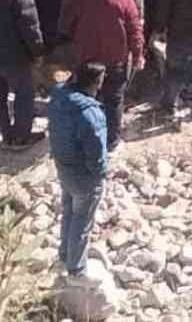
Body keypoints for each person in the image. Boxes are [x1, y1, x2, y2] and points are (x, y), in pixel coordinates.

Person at [59, 0, 143, 151]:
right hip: (116, 60)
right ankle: (111, 141)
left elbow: (66, 26)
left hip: (87, 60)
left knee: (87, 100)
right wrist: (138, 55)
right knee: (114, 100)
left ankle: (87, 138)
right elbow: (135, 30)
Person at [47, 62, 109, 287]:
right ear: (97, 82)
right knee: (82, 222)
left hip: (64, 168)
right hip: (84, 177)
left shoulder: (58, 98)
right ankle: (77, 271)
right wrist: (102, 174)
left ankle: (64, 257)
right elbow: (96, 154)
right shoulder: (91, 114)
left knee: (69, 213)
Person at [0, 0, 45, 150]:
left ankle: (7, 134)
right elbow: (29, 24)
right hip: (14, 53)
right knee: (24, 92)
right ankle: (21, 137)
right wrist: (38, 51)